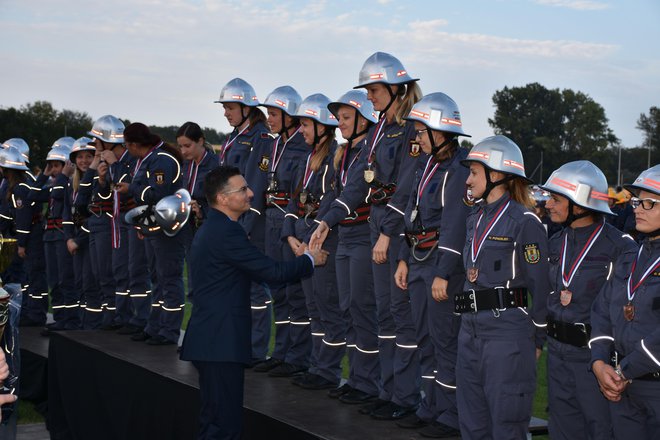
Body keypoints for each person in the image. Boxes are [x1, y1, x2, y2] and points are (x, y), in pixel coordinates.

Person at [180, 165, 327, 440]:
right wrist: (309, 260)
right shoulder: (226, 233)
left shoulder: (213, 228)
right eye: (243, 189)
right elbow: (272, 273)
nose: (251, 193)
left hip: (211, 341)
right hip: (219, 344)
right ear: (223, 198)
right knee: (224, 426)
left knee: (214, 420)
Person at [456, 135, 550, 439]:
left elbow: (540, 284)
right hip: (469, 330)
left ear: (496, 175)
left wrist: (536, 338)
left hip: (506, 336)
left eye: (473, 172)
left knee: (506, 424)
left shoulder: (525, 222)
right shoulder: (474, 218)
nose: (468, 179)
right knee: (471, 421)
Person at [541, 161, 637, 439]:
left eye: (556, 198)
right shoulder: (556, 243)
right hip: (557, 352)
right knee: (561, 429)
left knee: (600, 429)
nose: (547, 204)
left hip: (595, 358)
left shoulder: (621, 247)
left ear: (580, 205)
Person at [392, 93, 470, 438]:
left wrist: (442, 272)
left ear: (441, 132)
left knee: (444, 341)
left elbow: (455, 223)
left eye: (422, 132)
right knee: (424, 337)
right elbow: (410, 214)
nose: (417, 138)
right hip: (418, 260)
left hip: (441, 267)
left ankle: (451, 416)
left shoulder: (459, 168)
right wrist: (403, 260)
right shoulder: (426, 165)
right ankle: (430, 406)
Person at [353, 51, 423, 420]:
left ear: (396, 88)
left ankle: (406, 397)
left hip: (397, 231)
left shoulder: (414, 126)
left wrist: (387, 234)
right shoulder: (380, 125)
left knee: (401, 313)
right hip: (376, 224)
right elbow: (362, 178)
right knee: (384, 313)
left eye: (374, 89)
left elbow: (409, 183)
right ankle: (387, 389)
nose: (369, 96)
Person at [309, 90, 380, 403]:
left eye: (346, 117)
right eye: (338, 118)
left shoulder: (371, 150)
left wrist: (325, 223)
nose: (340, 124)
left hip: (364, 236)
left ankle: (369, 382)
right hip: (346, 237)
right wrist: (317, 223)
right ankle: (357, 377)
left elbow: (352, 193)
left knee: (363, 310)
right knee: (348, 308)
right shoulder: (344, 153)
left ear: (364, 118)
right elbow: (333, 194)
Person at [590, 164, 660, 438]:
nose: (637, 208)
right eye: (636, 201)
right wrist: (598, 362)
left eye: (649, 203)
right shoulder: (630, 255)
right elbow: (602, 312)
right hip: (623, 388)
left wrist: (623, 370)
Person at [281, 93, 344, 387]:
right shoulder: (307, 159)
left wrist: (306, 240)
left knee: (326, 305)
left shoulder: (335, 158)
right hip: (304, 242)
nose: (301, 130)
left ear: (322, 126)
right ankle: (317, 366)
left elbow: (330, 203)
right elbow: (294, 201)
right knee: (312, 307)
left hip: (321, 243)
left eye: (306, 124)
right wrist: (290, 234)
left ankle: (328, 371)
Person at [250, 86, 311, 374]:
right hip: (270, 219)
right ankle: (281, 351)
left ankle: (297, 358)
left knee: (295, 291)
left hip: (291, 222)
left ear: (289, 116)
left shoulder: (303, 145)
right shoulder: (274, 144)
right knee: (279, 290)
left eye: (274, 114)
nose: (269, 118)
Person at [214, 78, 272, 363]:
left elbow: (256, 187)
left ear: (247, 107)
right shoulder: (231, 138)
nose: (225, 112)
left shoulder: (260, 137)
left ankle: (256, 350)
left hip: (248, 225)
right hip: (228, 222)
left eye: (230, 107)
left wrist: (245, 228)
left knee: (254, 289)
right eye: (224, 107)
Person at [115, 122, 184, 346]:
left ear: (135, 144)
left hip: (167, 227)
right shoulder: (145, 159)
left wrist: (131, 188)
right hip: (153, 225)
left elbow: (158, 194)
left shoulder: (161, 159)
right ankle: (155, 326)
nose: (127, 150)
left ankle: (170, 330)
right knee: (157, 278)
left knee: (169, 278)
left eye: (127, 145)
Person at [27, 141, 78, 332]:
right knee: (54, 281)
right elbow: (32, 195)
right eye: (52, 166)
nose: (54, 170)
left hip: (61, 235)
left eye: (57, 165)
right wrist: (44, 174)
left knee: (66, 279)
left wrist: (64, 175)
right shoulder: (51, 184)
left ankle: (71, 319)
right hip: (49, 235)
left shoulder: (68, 184)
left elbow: (58, 194)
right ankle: (60, 317)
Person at [85, 115, 125, 330]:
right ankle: (108, 317)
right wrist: (97, 175)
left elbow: (119, 193)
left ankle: (114, 318)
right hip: (96, 221)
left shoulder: (120, 163)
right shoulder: (101, 162)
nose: (94, 145)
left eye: (97, 141)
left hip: (111, 223)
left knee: (109, 273)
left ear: (106, 141)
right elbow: (84, 195)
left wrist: (110, 171)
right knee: (99, 273)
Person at [0, 146, 48, 327]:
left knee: (34, 276)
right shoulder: (18, 186)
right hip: (30, 233)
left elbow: (23, 219)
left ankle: (36, 314)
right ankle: (30, 311)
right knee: (28, 277)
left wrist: (21, 244)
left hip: (31, 235)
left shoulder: (18, 189)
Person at [62, 137, 100, 329]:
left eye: (88, 156)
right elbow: (67, 213)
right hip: (75, 240)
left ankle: (92, 327)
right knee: (79, 283)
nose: (84, 160)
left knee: (90, 283)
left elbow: (94, 216)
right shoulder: (72, 183)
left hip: (89, 239)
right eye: (80, 157)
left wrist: (78, 240)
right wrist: (69, 237)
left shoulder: (97, 181)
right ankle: (82, 323)